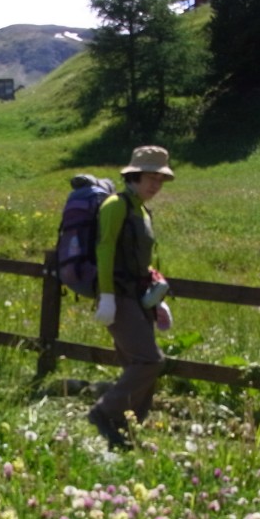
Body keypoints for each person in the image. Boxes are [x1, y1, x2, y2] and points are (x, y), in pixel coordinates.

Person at [87, 145, 175, 450]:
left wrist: (157, 292)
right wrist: (107, 295)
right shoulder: (116, 205)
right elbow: (105, 249)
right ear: (134, 175)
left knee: (137, 364)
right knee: (149, 361)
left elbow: (140, 257)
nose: (156, 185)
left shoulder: (142, 209)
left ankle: (126, 430)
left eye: (160, 180)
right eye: (151, 178)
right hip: (120, 296)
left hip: (138, 297)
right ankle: (103, 413)